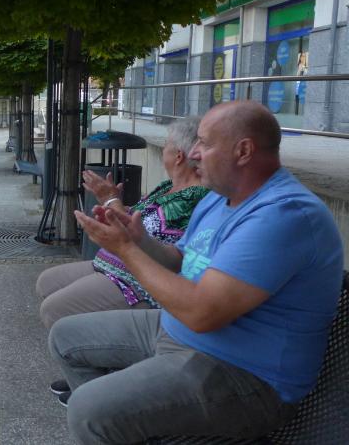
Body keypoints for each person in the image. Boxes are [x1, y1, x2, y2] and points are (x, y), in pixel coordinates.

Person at [50, 100, 343, 444]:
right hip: (178, 332)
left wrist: (126, 250)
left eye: (204, 143)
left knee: (88, 410)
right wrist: (139, 239)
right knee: (64, 337)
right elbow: (179, 259)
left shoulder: (283, 215)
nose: (194, 153)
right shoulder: (219, 197)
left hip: (245, 376)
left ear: (243, 151)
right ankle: (127, 428)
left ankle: (115, 425)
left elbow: (202, 314)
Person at [36, 116, 207, 330]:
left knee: (53, 310)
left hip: (134, 281)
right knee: (46, 282)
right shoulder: (167, 186)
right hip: (112, 263)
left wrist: (111, 200)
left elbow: (140, 236)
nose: (163, 150)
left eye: (166, 145)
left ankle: (93, 344)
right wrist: (115, 202)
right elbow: (142, 220)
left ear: (178, 156)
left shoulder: (192, 197)